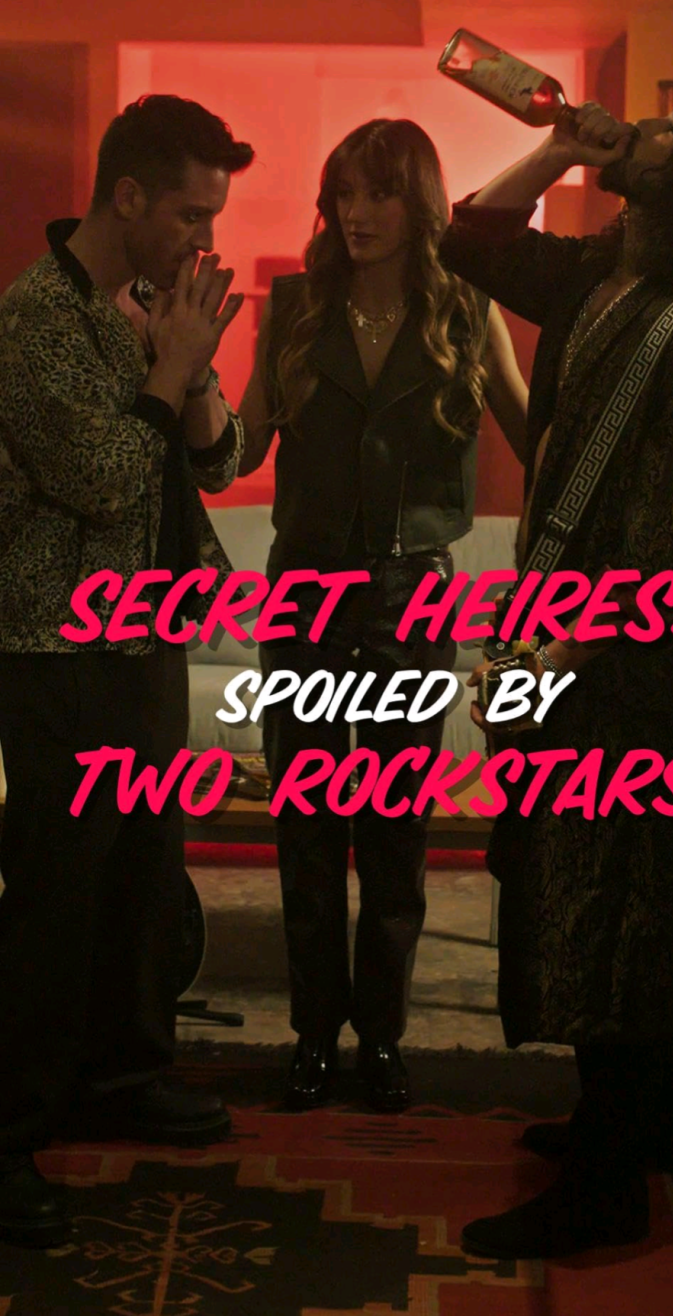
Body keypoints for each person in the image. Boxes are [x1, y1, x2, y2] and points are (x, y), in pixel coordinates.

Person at [438, 92, 673, 1258]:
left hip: (628, 666)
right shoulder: (600, 270)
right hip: (573, 642)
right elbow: (471, 237)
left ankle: (609, 1182)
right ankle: (652, 1115)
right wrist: (556, 150)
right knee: (584, 885)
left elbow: (669, 541)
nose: (644, 131)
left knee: (613, 905)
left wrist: (559, 651)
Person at [0, 94, 254, 1247]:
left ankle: (124, 1073)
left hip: (146, 634)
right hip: (55, 643)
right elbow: (102, 474)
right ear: (129, 194)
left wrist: (191, 368)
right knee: (55, 891)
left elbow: (217, 457)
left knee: (145, 874)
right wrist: (171, 367)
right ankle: (10, 1127)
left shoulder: (148, 303)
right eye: (192, 213)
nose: (204, 237)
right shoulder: (33, 317)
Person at [238, 118, 528, 1113]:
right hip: (306, 590)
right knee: (309, 821)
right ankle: (315, 1032)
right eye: (344, 193)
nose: (355, 213)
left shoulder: (464, 306)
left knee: (397, 826)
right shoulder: (295, 305)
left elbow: (540, 436)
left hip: (414, 591)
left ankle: (384, 1037)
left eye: (379, 192)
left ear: (421, 202)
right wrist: (183, 375)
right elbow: (240, 448)